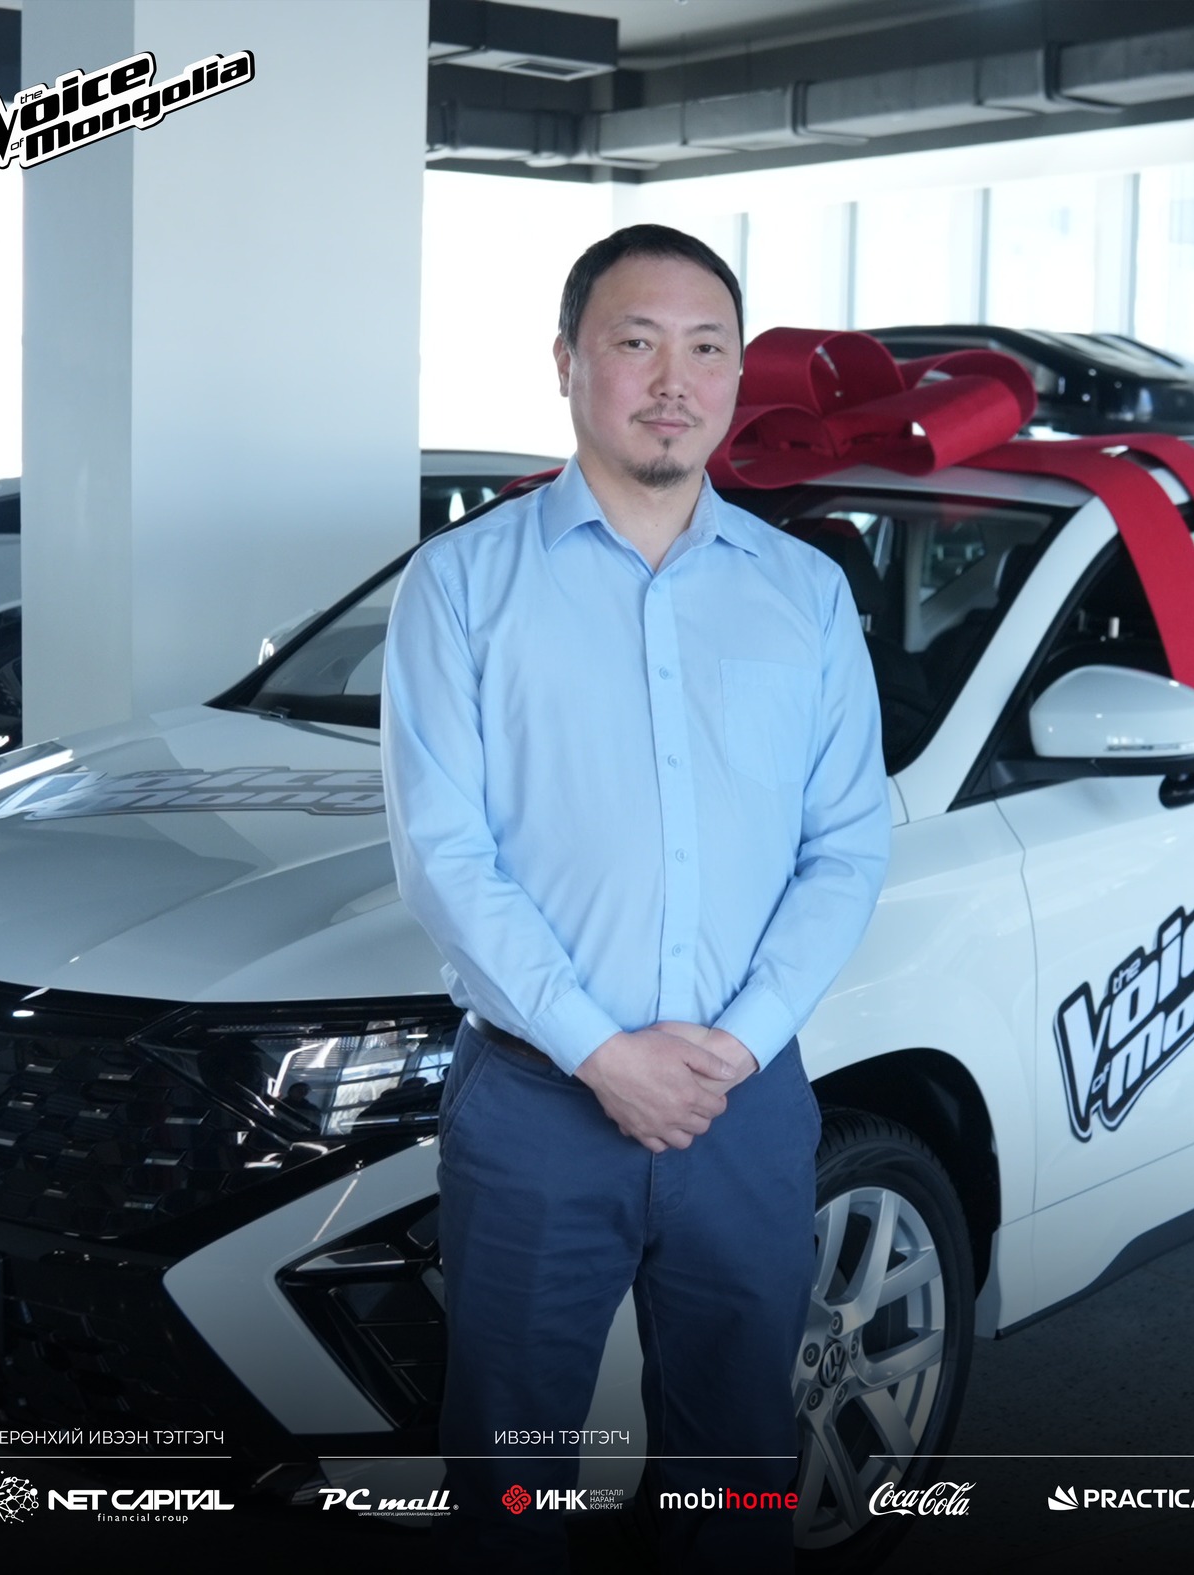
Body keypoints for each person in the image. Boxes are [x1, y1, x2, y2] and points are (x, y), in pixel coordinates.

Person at [381, 225, 890, 1573]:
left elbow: (846, 844)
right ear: (566, 362)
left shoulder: (803, 595)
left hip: (744, 1103)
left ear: (737, 375)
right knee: (509, 1462)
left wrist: (738, 1043)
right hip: (538, 1104)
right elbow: (443, 852)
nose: (675, 380)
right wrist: (602, 1052)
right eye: (636, 342)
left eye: (707, 347)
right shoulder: (461, 583)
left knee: (739, 1457)